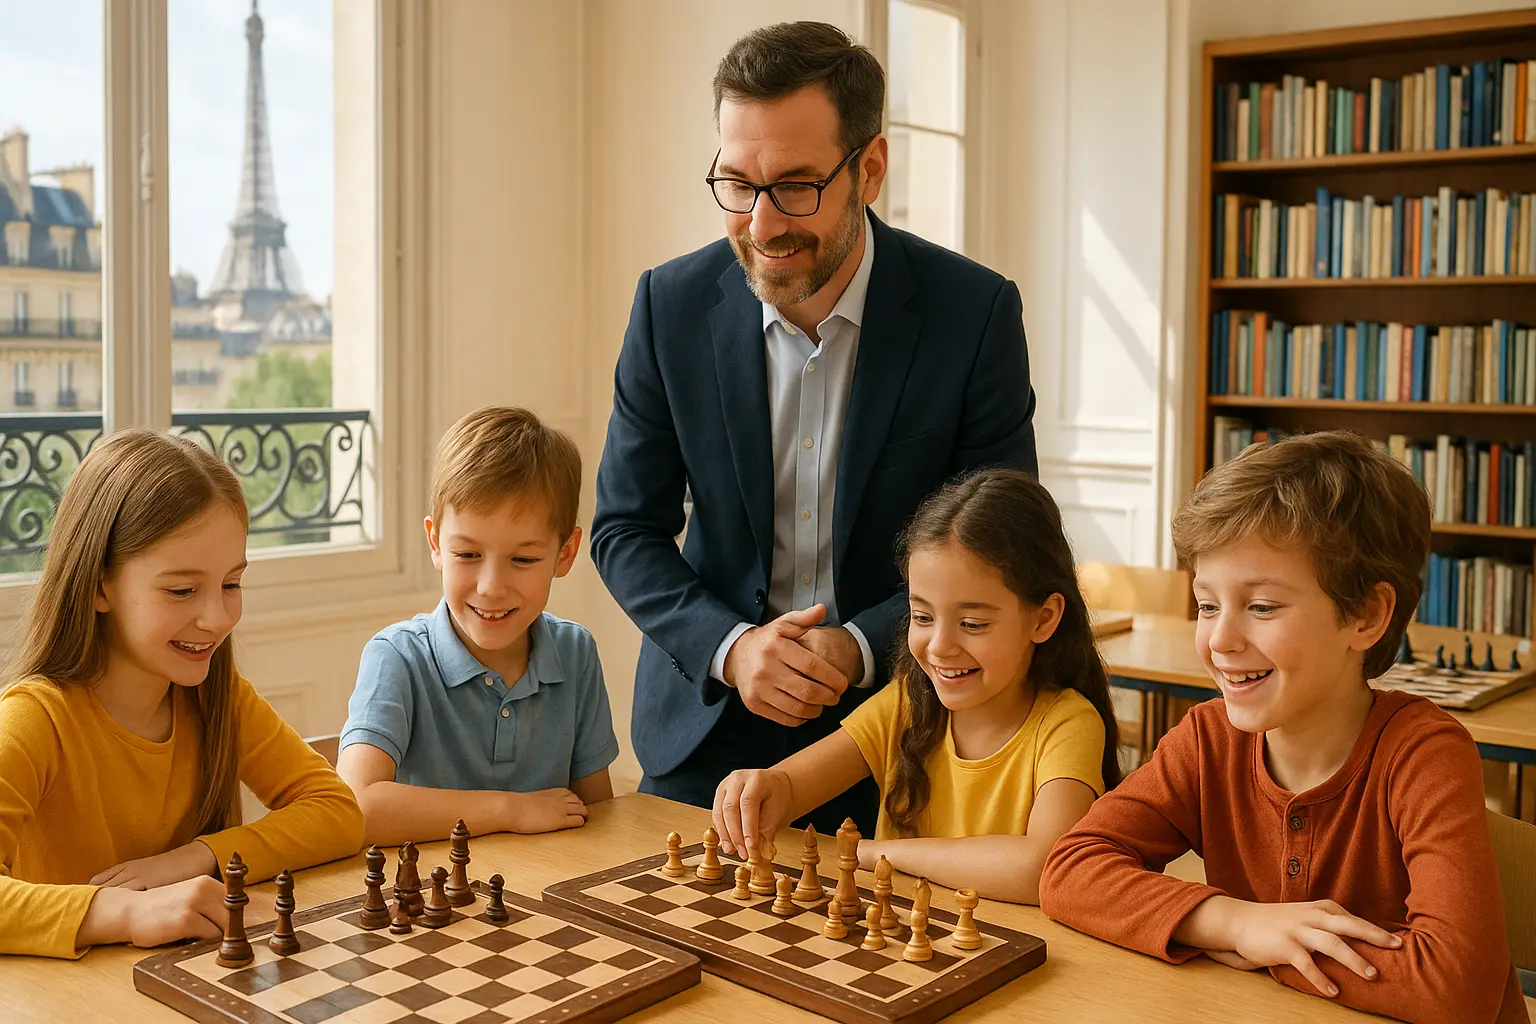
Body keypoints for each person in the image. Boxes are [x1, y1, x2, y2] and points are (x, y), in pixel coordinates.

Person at [591, 21, 1038, 835]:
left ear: (871, 169)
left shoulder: (974, 315)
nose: (763, 225)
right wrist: (733, 647)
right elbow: (624, 529)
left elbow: (999, 548)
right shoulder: (668, 306)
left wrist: (859, 647)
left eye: (797, 185)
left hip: (902, 726)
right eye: (738, 184)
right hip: (706, 732)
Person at [1039, 431, 1527, 1023]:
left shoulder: (1424, 755)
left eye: (1263, 606)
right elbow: (1071, 869)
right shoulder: (1207, 739)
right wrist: (1235, 923)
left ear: (1366, 616)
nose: (1220, 640)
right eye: (1207, 605)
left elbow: (1458, 988)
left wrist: (1266, 948)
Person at [0, 429, 364, 959]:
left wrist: (196, 858)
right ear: (99, 585)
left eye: (231, 584)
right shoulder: (34, 719)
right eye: (181, 590)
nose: (217, 618)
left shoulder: (219, 697)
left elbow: (337, 811)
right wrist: (125, 911)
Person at [711, 469, 1115, 903]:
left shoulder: (1068, 724)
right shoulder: (908, 699)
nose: (938, 646)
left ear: (1044, 618)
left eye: (972, 623)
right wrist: (764, 787)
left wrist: (876, 853)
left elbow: (1044, 867)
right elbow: (790, 788)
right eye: (922, 617)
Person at [338, 406, 618, 846]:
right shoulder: (396, 657)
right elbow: (358, 807)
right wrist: (511, 810)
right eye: (467, 555)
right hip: (431, 888)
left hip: (550, 883)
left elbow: (598, 814)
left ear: (565, 554)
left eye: (523, 559)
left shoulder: (575, 652)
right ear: (435, 543)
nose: (490, 587)